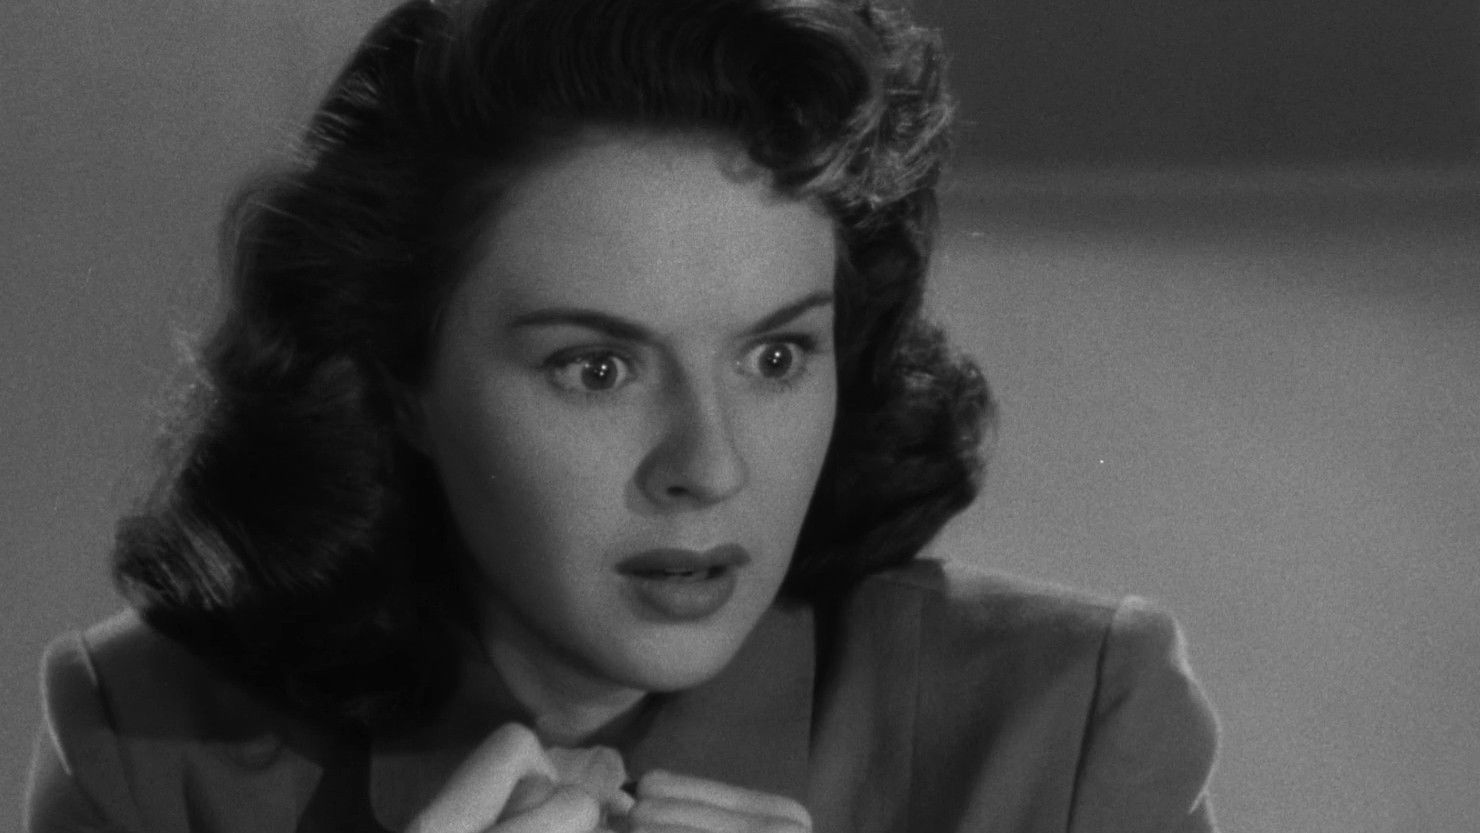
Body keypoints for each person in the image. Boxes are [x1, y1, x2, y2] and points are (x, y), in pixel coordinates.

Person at [24, 0, 1220, 830]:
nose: (708, 464)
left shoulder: (1068, 728)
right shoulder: (151, 745)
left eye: (775, 354)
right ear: (400, 378)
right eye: (596, 368)